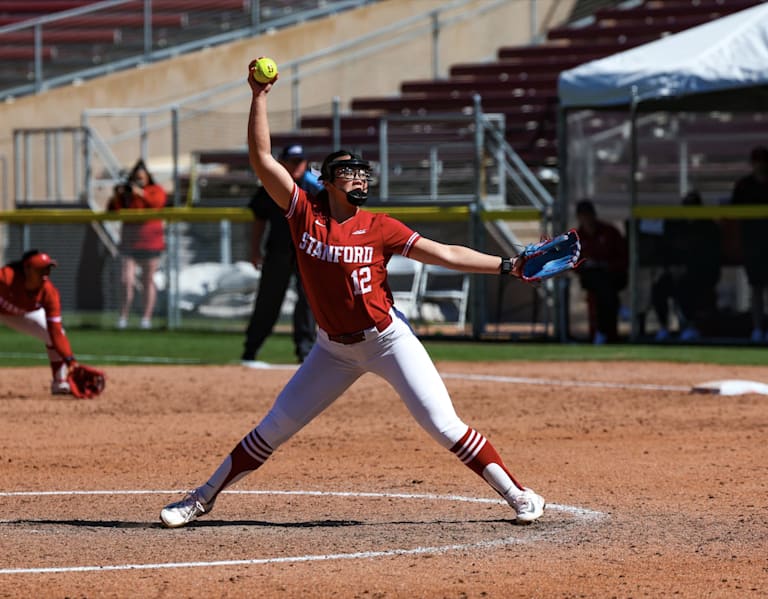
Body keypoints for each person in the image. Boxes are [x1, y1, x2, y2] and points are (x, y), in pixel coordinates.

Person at [159, 59, 546, 528]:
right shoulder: (304, 211)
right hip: (331, 350)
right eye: (350, 172)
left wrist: (507, 265)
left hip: (387, 340)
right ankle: (200, 499)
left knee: (443, 426)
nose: (360, 178)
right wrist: (258, 96)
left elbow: (443, 253)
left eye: (364, 173)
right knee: (274, 428)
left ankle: (522, 495)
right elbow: (262, 160)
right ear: (327, 180)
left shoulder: (379, 226)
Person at [241, 144, 323, 365]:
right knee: (268, 300)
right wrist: (254, 249)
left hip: (309, 253)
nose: (297, 166)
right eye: (292, 161)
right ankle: (250, 351)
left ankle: (305, 353)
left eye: (300, 161)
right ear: (282, 162)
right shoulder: (272, 183)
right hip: (278, 250)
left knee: (308, 302)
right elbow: (259, 218)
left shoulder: (315, 185)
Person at [0, 250, 80, 395]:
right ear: (27, 269)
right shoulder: (6, 277)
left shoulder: (49, 293)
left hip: (23, 314)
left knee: (56, 334)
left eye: (48, 268)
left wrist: (71, 362)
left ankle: (60, 382)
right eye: (41, 269)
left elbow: (55, 331)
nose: (46, 273)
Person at [651, 190, 721, 342]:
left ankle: (690, 326)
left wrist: (688, 269)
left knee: (686, 287)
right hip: (674, 271)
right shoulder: (675, 225)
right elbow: (665, 251)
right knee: (659, 288)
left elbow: (711, 258)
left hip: (701, 274)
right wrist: (671, 267)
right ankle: (664, 327)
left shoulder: (708, 227)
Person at [107, 159, 167, 330]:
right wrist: (118, 195)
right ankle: (123, 316)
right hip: (129, 244)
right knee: (126, 280)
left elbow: (157, 204)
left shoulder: (155, 190)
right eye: (136, 178)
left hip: (151, 244)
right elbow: (113, 210)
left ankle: (146, 318)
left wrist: (140, 192)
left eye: (142, 178)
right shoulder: (127, 195)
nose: (139, 181)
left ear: (148, 177)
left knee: (148, 281)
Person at [575, 199, 628, 344]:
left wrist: (605, 265)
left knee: (604, 289)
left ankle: (601, 333)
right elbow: (573, 264)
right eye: (582, 215)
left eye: (588, 214)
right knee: (602, 287)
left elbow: (623, 258)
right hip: (590, 278)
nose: (586, 219)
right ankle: (616, 310)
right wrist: (587, 264)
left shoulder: (609, 232)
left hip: (613, 276)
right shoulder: (576, 237)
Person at [730, 146, 768, 342]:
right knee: (757, 288)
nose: (761, 165)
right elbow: (733, 213)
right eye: (758, 161)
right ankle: (758, 329)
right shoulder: (744, 186)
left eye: (764, 160)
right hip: (753, 244)